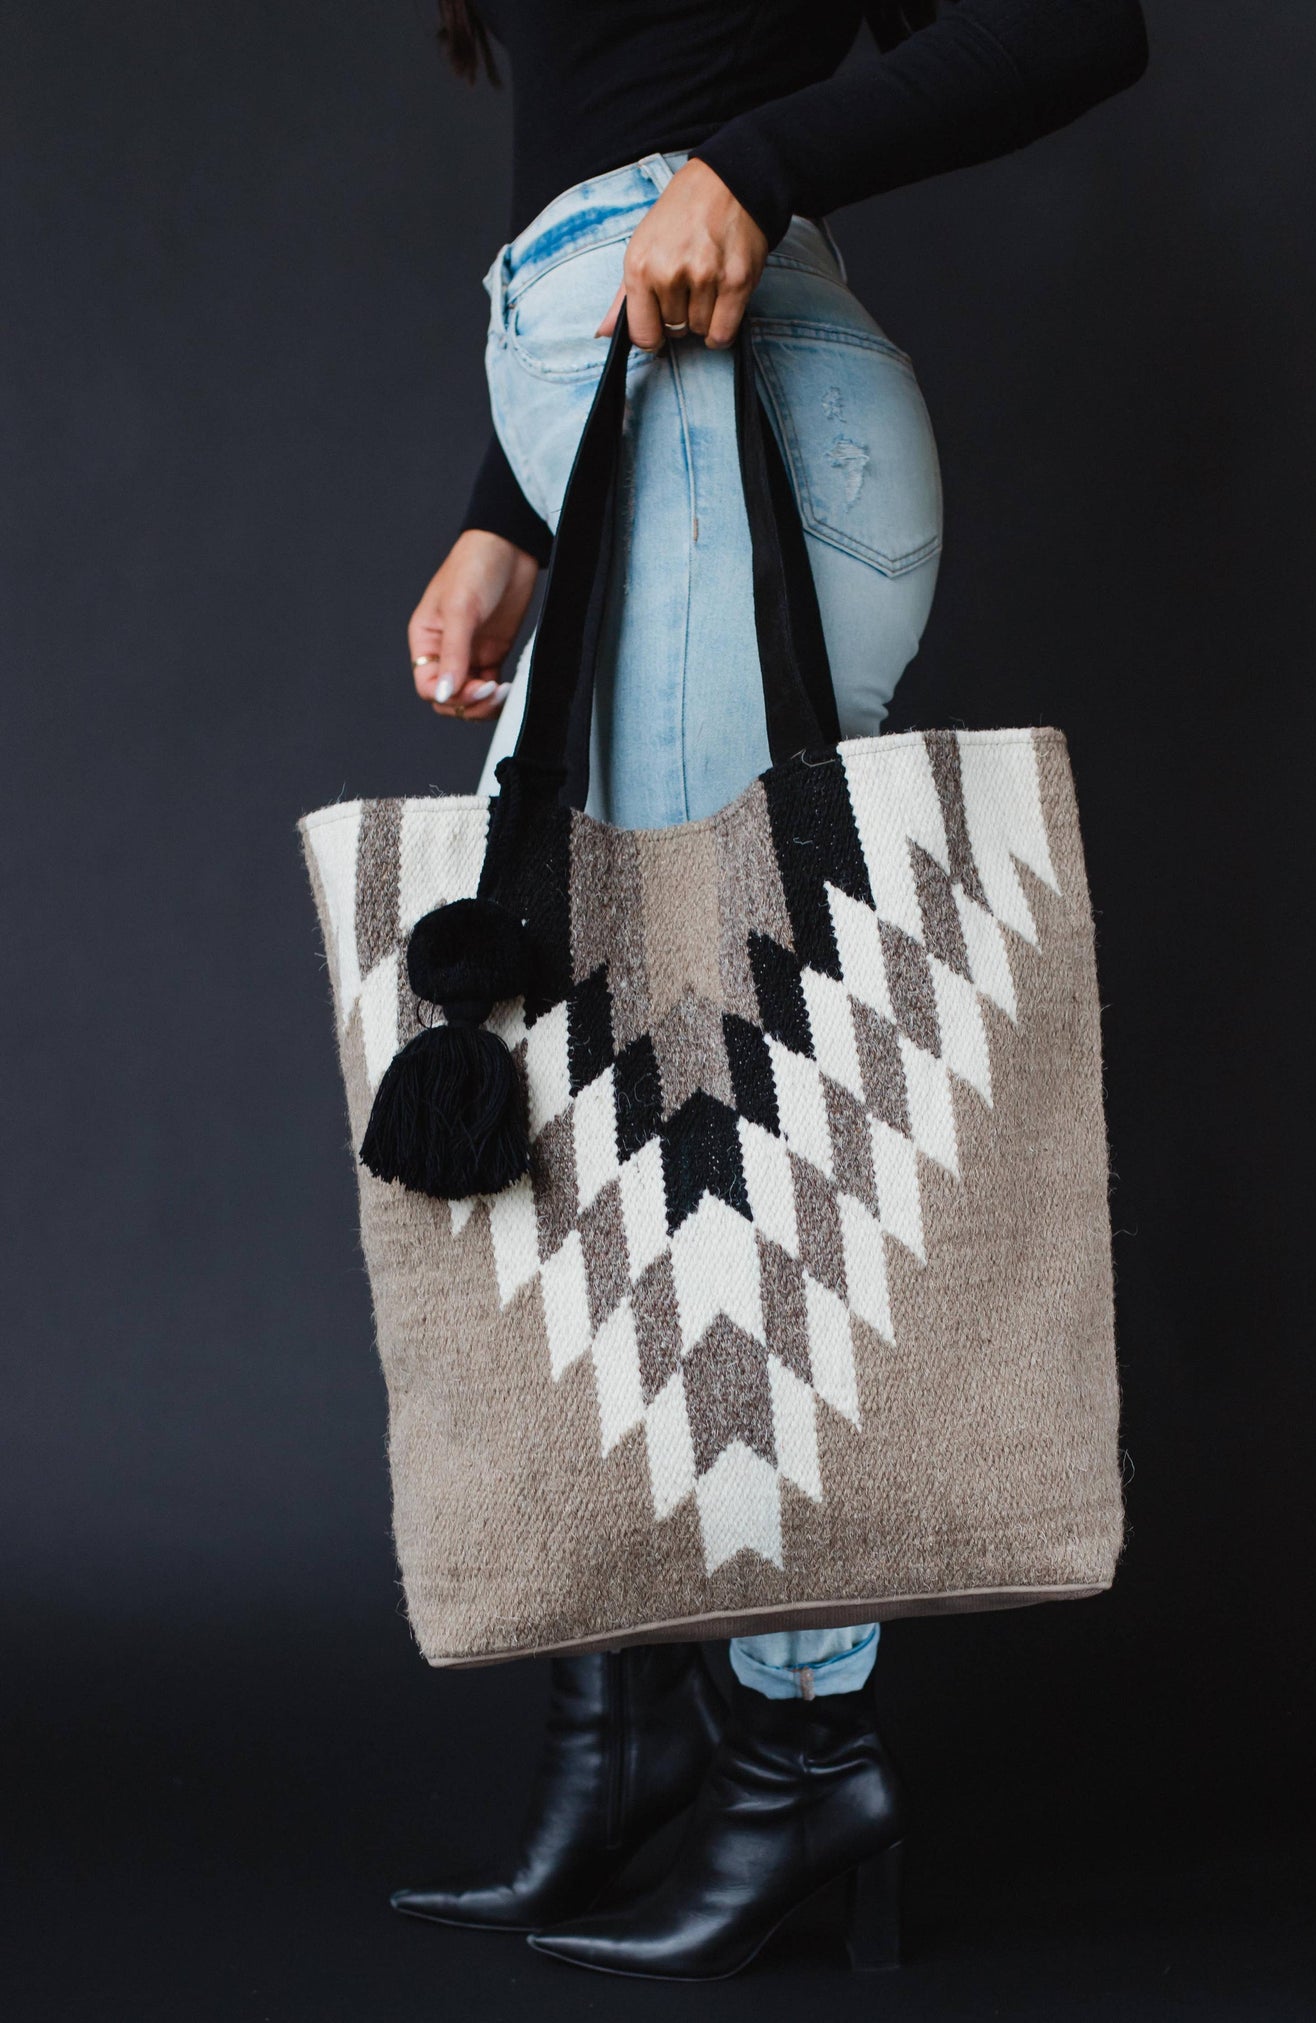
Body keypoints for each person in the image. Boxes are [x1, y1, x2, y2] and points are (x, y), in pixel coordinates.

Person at [392, 0, 1148, 1980]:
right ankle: (632, 1720)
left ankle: (795, 1748)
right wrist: (506, 511)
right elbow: (602, 124)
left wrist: (755, 171)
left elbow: (1082, 22)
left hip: (731, 406)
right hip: (639, 427)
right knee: (585, 1067)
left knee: (717, 1082)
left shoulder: (744, 206)